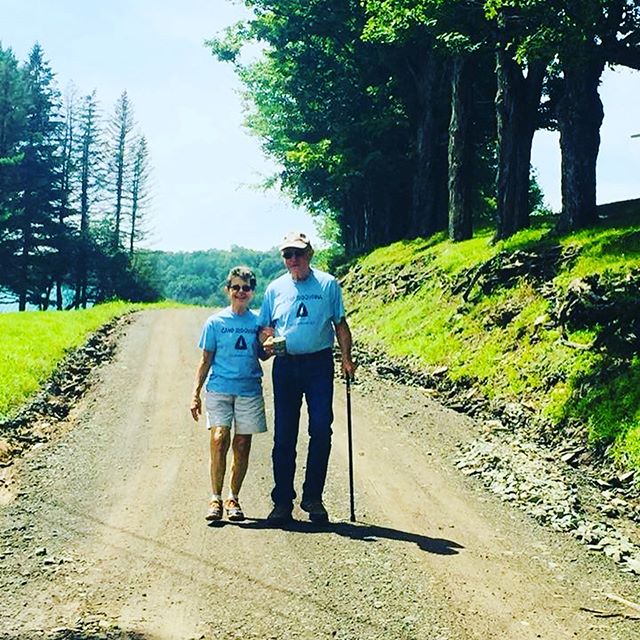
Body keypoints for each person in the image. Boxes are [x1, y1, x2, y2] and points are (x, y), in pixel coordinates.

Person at [259, 231, 356, 524]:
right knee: (284, 434)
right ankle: (282, 502)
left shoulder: (327, 284)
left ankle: (313, 498)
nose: (293, 260)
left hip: (318, 364)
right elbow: (265, 327)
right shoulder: (275, 289)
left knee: (320, 430)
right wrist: (268, 340)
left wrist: (347, 359)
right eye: (288, 255)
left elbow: (340, 323)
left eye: (298, 253)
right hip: (286, 366)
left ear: (309, 254)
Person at [191, 266, 270, 522]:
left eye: (246, 288)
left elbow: (263, 355)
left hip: (249, 390)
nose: (240, 292)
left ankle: (233, 497)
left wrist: (268, 344)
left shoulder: (258, 321)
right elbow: (205, 360)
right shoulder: (215, 322)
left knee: (242, 444)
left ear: (252, 292)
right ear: (228, 290)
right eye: (235, 287)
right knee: (219, 437)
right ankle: (215, 497)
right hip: (219, 389)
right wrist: (195, 393)